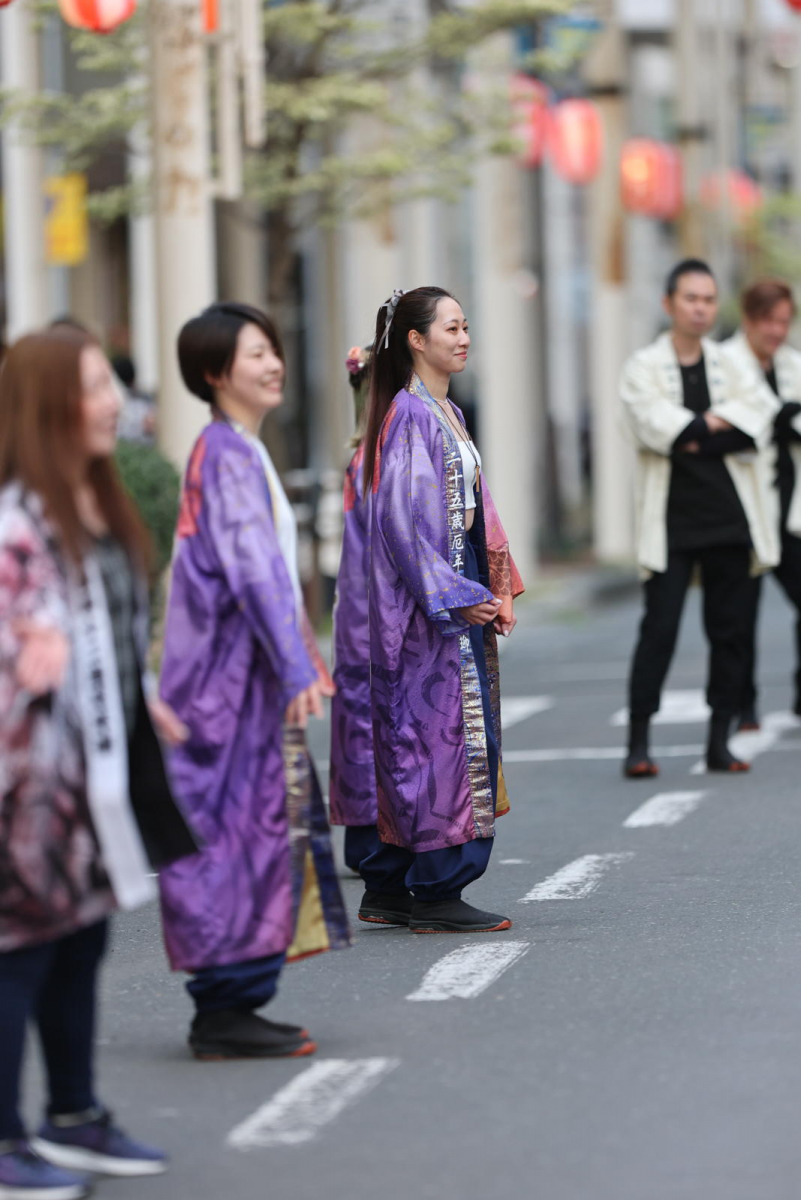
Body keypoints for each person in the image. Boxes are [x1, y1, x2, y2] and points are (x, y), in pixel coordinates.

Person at [0, 327, 197, 1200]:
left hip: (94, 769)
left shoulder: (94, 499)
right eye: (90, 387)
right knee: (20, 954)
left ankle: (73, 1116)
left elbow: (109, 628)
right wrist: (20, 648)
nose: (111, 400)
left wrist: (138, 690)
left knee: (80, 941)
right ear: (46, 404)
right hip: (24, 781)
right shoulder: (15, 519)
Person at [157, 302, 350, 1063]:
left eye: (273, 349)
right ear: (214, 373)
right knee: (235, 834)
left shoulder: (235, 448)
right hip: (224, 689)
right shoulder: (226, 453)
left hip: (235, 681)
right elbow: (252, 570)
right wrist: (298, 660)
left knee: (249, 832)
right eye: (253, 354)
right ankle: (224, 1005)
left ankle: (233, 999)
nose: (271, 364)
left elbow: (262, 570)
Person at [358, 286, 524, 934]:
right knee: (438, 745)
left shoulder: (443, 411)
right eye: (450, 328)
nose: (463, 337)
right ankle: (435, 888)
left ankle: (398, 884)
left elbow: (479, 512)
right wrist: (457, 594)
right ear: (415, 340)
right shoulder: (409, 415)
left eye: (465, 326)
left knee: (430, 742)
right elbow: (400, 523)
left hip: (456, 607)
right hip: (432, 617)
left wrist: (497, 585)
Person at [621, 259, 779, 779]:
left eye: (709, 299)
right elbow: (650, 426)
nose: (701, 308)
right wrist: (712, 427)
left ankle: (719, 741)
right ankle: (639, 743)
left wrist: (692, 434)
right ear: (669, 304)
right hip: (670, 523)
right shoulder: (643, 366)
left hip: (730, 520)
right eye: (691, 298)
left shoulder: (732, 362)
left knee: (729, 633)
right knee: (659, 630)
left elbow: (756, 422)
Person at [721, 280, 801, 729]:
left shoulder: (793, 363)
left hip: (790, 509)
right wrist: (783, 415)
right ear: (750, 320)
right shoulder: (724, 364)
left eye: (784, 322)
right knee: (740, 614)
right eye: (769, 321)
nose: (777, 330)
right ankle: (744, 705)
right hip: (744, 508)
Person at [329, 345, 381, 876]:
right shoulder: (379, 459)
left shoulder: (360, 457)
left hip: (353, 611)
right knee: (374, 721)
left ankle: (362, 836)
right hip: (375, 608)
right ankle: (372, 840)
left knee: (357, 722)